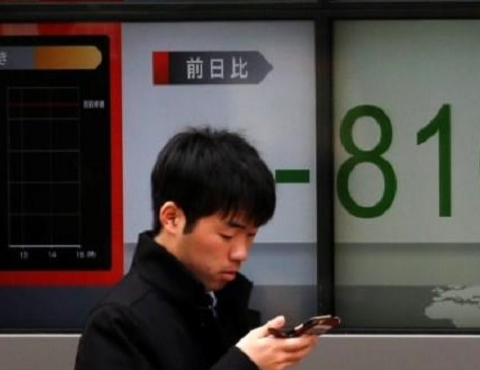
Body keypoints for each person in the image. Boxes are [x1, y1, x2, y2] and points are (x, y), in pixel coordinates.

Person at [75, 127, 320, 370]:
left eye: (250, 235)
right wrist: (244, 364)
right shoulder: (117, 324)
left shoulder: (223, 302)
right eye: (227, 235)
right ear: (172, 218)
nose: (241, 253)